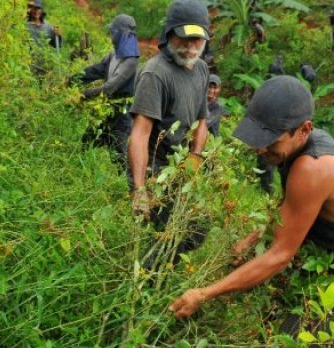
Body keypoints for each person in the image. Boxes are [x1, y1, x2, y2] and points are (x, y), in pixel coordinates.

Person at [170, 76, 334, 319]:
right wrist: (255, 237)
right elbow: (290, 211)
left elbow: (280, 255)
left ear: (304, 130)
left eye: (270, 140)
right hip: (325, 263)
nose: (260, 149)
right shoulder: (299, 147)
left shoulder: (314, 167)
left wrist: (204, 293)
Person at [127, 0, 211, 268]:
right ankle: (146, 286)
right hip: (155, 169)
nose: (191, 46)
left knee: (199, 227)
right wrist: (140, 189)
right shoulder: (156, 74)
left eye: (197, 39)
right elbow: (140, 134)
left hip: (180, 167)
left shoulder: (201, 69)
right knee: (164, 233)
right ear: (169, 35)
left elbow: (202, 120)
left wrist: (195, 156)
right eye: (184, 38)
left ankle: (161, 268)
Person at [73, 14, 140, 165]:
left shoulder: (131, 61)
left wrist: (81, 95)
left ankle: (125, 185)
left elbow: (109, 88)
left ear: (120, 34)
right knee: (87, 140)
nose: (110, 36)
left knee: (117, 152)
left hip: (121, 112)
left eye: (113, 33)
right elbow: (95, 70)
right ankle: (79, 170)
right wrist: (71, 79)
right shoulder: (114, 55)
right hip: (105, 107)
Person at [26, 0, 62, 78]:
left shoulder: (48, 26)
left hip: (43, 66)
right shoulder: (25, 25)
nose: (36, 11)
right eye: (34, 9)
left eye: (38, 9)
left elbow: (57, 45)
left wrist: (59, 36)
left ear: (42, 10)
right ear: (30, 10)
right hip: (28, 65)